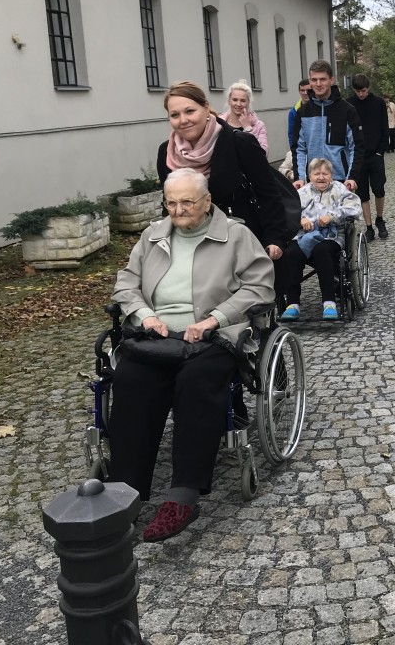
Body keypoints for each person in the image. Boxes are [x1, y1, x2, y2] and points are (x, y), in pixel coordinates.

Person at [109, 168, 275, 541]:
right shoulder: (152, 236)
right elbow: (126, 283)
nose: (178, 210)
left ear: (207, 201)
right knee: (131, 379)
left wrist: (215, 319)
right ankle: (124, 491)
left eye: (187, 202)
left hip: (215, 337)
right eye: (171, 203)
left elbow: (260, 286)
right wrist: (145, 315)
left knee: (198, 380)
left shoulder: (236, 235)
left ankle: (184, 494)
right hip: (157, 335)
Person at [157, 81, 291, 260]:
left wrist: (274, 238)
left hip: (239, 243)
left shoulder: (240, 143)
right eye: (175, 115)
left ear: (206, 108)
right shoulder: (166, 153)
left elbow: (269, 193)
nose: (183, 120)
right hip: (189, 246)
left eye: (190, 111)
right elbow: (168, 202)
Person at [277, 158, 362, 321]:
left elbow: (355, 208)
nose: (321, 177)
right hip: (303, 235)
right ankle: (292, 303)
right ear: (310, 176)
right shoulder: (302, 192)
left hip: (332, 236)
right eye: (317, 174)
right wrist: (300, 220)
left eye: (325, 173)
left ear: (331, 175)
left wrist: (332, 216)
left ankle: (329, 303)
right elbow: (287, 213)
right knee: (291, 253)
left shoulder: (340, 189)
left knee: (322, 251)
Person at [290, 60, 363, 190]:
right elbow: (299, 148)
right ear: (310, 81)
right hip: (313, 179)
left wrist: (352, 177)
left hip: (341, 181)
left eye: (322, 79)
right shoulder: (302, 112)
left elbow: (356, 147)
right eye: (314, 80)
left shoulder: (347, 110)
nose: (318, 84)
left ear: (331, 80)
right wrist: (299, 178)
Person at [347, 74, 390, 242]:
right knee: (362, 193)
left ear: (368, 88)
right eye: (358, 91)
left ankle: (380, 219)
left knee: (379, 189)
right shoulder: (349, 104)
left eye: (363, 91)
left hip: (375, 154)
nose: (361, 94)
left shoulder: (378, 102)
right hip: (358, 156)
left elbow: (384, 127)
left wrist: (381, 150)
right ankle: (369, 226)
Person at [219, 80, 268, 153]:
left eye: (243, 101)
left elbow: (263, 154)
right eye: (235, 100)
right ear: (229, 101)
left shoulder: (259, 126)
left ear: (248, 102)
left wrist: (248, 129)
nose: (238, 104)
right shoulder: (219, 123)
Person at [288, 79, 309, 168]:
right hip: (301, 153)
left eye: (308, 90)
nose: (305, 93)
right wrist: (294, 153)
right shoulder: (294, 112)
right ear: (299, 92)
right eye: (302, 90)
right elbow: (291, 135)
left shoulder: (319, 107)